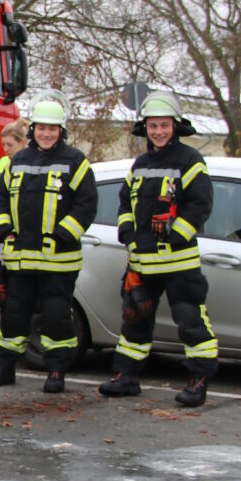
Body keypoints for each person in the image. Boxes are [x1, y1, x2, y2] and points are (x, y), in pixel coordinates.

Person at [98, 91, 217, 407]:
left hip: (179, 263)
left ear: (175, 126)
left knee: (190, 321)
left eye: (164, 125)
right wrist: (126, 230)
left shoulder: (191, 161)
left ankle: (199, 380)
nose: (159, 131)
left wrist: (176, 235)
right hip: (141, 263)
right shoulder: (140, 163)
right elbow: (125, 200)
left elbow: (200, 204)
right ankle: (126, 377)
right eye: (153, 126)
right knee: (134, 320)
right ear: (145, 128)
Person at [0, 90, 96, 392]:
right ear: (32, 130)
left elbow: (86, 205)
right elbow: (2, 199)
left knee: (57, 317)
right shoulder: (17, 161)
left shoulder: (76, 162)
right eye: (41, 128)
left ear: (61, 131)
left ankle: (56, 371)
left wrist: (64, 233)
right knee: (14, 316)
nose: (46, 134)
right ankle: (4, 367)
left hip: (58, 260)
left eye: (52, 129)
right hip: (20, 259)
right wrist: (3, 228)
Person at [0, 118, 29, 197]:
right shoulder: (1, 162)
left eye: (10, 145)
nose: (5, 149)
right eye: (3, 144)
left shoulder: (33, 164)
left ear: (23, 142)